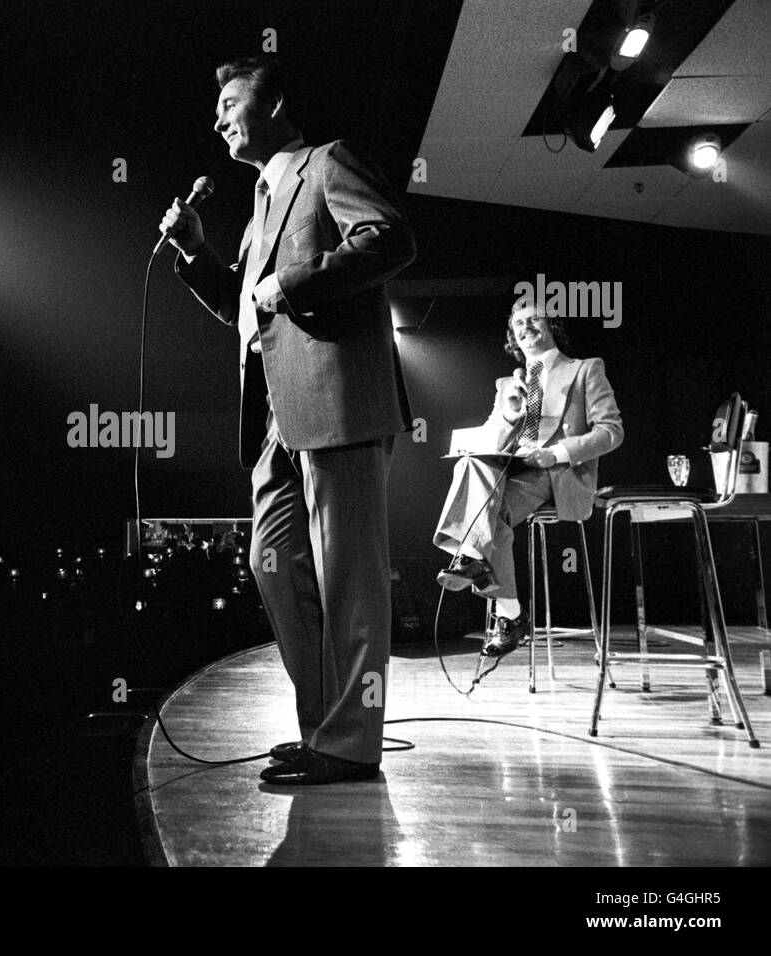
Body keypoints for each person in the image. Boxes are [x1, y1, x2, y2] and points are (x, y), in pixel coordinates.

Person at [159, 56, 416, 785]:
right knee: (271, 565)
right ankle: (324, 728)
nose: (218, 118)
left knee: (349, 581)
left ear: (274, 105)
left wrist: (289, 282)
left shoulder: (325, 164)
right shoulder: (259, 209)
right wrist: (194, 253)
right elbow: (246, 313)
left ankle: (350, 744)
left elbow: (391, 238)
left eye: (232, 101)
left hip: (337, 401)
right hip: (274, 416)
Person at [433, 301, 624, 656]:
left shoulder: (584, 370)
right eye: (517, 322)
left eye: (533, 319)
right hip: (511, 466)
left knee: (492, 515)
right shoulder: (509, 382)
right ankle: (503, 603)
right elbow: (491, 439)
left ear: (552, 326)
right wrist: (508, 413)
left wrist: (556, 453)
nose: (525, 326)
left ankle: (483, 574)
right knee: (469, 465)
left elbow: (611, 432)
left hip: (555, 471)